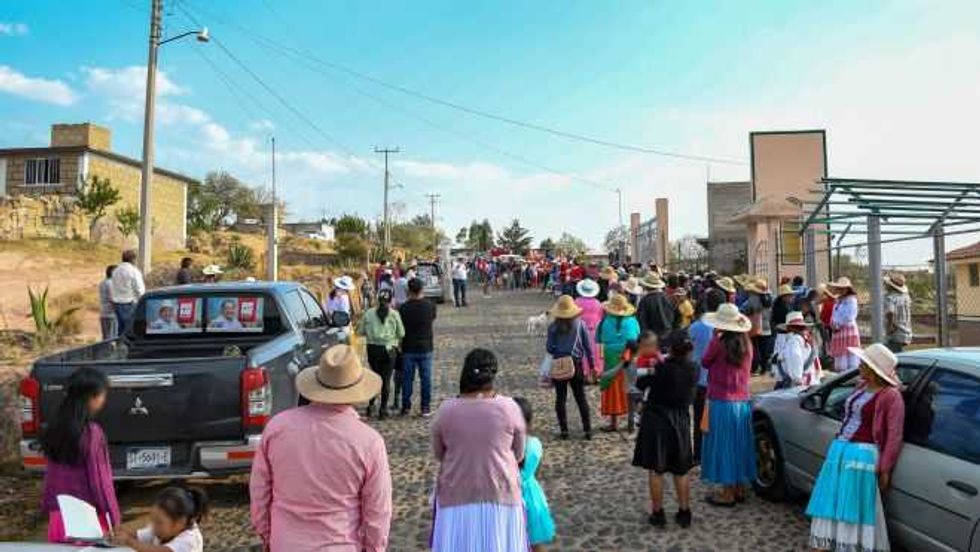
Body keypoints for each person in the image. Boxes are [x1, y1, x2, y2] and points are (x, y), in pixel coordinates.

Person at [250, 345, 391, 552]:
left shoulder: (277, 428)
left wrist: (267, 535)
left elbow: (259, 491)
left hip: (286, 543)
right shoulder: (369, 442)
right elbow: (378, 511)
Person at [806, 343, 905, 552]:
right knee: (829, 502)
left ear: (873, 369)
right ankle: (825, 544)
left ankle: (848, 546)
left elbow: (894, 435)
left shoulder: (891, 396)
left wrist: (885, 468)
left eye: (864, 363)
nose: (859, 365)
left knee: (851, 508)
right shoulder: (861, 385)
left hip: (862, 456)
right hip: (840, 450)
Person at [430, 349, 527, 551]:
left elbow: (439, 453)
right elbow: (519, 453)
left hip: (456, 496)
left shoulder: (446, 410)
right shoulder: (509, 408)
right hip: (501, 496)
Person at [40, 367, 119, 543]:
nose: (104, 399)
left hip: (59, 518)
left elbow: (51, 477)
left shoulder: (55, 429)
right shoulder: (91, 433)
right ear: (92, 397)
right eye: (103, 394)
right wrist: (113, 518)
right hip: (87, 520)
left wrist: (48, 507)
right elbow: (100, 482)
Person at [632, 330, 698, 528]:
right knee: (681, 469)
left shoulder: (660, 368)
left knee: (656, 469)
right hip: (680, 420)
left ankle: (658, 512)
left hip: (657, 419)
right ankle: (684, 511)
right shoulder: (693, 368)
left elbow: (640, 383)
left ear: (670, 348)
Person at [701, 303, 756, 507]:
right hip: (742, 401)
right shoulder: (747, 344)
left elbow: (705, 362)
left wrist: (715, 337)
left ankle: (727, 493)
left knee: (723, 446)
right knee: (739, 445)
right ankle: (739, 488)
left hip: (721, 401)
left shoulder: (719, 343)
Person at [545, 295, 594, 440]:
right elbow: (588, 348)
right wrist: (591, 366)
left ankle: (564, 430)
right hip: (576, 364)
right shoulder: (581, 325)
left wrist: (559, 350)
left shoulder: (553, 327)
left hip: (559, 364)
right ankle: (587, 430)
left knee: (560, 398)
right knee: (581, 398)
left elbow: (549, 348)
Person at [513, 397, 556, 551]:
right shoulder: (535, 444)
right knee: (535, 542)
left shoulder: (504, 447)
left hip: (510, 497)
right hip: (531, 495)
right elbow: (536, 472)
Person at [689, 287, 725, 464]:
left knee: (699, 420)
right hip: (720, 382)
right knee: (717, 422)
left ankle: (699, 454)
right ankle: (716, 453)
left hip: (700, 380)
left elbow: (690, 352)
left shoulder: (696, 327)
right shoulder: (725, 328)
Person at [597, 294, 641, 432]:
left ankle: (614, 422)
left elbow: (599, 339)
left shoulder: (605, 321)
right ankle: (631, 422)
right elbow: (638, 336)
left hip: (611, 358)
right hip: (629, 356)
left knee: (612, 388)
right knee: (630, 388)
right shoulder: (632, 321)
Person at [112, 487, 207, 552]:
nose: (153, 525)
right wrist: (120, 535)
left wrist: (130, 542)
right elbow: (139, 535)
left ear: (179, 522)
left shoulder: (190, 540)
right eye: (153, 519)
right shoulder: (159, 529)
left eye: (159, 522)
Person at [359, 288, 405, 420]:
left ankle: (371, 404)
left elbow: (361, 331)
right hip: (389, 349)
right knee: (386, 379)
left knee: (374, 376)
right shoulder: (394, 314)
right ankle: (383, 409)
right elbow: (401, 333)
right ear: (391, 301)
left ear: (378, 300)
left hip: (373, 349)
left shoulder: (369, 313)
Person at [399, 277, 437, 417]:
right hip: (426, 347)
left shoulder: (403, 308)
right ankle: (425, 407)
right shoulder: (430, 306)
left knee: (407, 379)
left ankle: (406, 407)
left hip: (408, 347)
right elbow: (432, 319)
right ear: (422, 289)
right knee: (426, 379)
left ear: (409, 290)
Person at [773, 312, 821, 389]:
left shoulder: (794, 341)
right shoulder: (808, 339)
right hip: (811, 381)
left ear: (790, 328)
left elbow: (795, 358)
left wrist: (796, 379)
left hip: (800, 384)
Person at [827, 277, 861, 371]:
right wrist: (832, 323)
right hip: (838, 331)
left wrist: (837, 324)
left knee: (850, 357)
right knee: (840, 359)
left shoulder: (851, 300)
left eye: (843, 288)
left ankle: (850, 375)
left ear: (848, 289)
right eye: (840, 288)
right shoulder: (838, 301)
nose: (841, 290)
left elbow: (849, 316)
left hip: (847, 330)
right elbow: (834, 314)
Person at [741, 278, 773, 375]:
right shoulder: (769, 298)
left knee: (755, 348)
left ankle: (754, 368)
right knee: (764, 349)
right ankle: (763, 368)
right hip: (767, 326)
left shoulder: (754, 299)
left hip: (756, 326)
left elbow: (745, 309)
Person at [574, 278, 604, 382]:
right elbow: (600, 317)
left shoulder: (577, 302)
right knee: (595, 354)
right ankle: (595, 374)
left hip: (580, 331)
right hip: (594, 331)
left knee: (582, 353)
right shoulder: (597, 303)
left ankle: (584, 374)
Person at [110, 249, 145, 332]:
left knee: (120, 329)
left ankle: (120, 344)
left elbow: (113, 286)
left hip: (117, 304)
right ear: (133, 259)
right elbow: (139, 289)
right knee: (130, 329)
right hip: (129, 303)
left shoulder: (115, 271)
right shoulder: (133, 271)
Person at [635, 274, 677, 340]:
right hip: (667, 335)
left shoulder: (645, 300)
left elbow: (642, 321)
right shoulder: (666, 297)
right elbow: (672, 316)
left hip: (651, 338)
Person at [884, 274, 912, 353]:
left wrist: (890, 327)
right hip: (906, 331)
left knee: (893, 355)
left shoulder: (890, 297)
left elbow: (890, 311)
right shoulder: (906, 297)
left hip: (895, 332)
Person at [98, 265, 118, 340]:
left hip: (103, 313)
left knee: (105, 337)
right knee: (112, 338)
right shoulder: (111, 283)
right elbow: (113, 299)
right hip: (111, 314)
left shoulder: (102, 283)